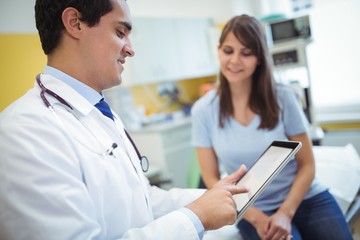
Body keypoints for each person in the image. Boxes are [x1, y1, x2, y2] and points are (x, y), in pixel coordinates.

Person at [0, 1, 250, 239]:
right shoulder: (25, 130)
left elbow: (141, 200)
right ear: (75, 23)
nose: (130, 48)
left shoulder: (97, 112)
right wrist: (196, 217)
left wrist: (214, 196)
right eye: (120, 32)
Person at [191, 14, 353, 240]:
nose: (235, 60)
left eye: (246, 53)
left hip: (305, 199)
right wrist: (257, 218)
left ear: (259, 58)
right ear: (218, 51)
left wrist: (285, 213)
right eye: (228, 51)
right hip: (253, 210)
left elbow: (307, 165)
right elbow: (211, 178)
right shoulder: (204, 110)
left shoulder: (284, 98)